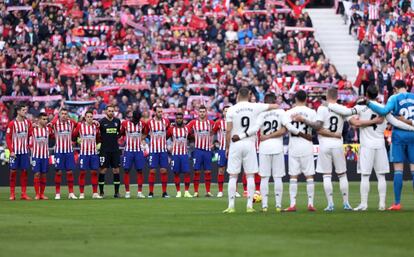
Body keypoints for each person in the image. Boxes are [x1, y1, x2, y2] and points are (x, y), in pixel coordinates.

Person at [328, 85, 414, 211]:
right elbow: (396, 123)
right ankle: (382, 204)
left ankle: (364, 204)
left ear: (366, 94)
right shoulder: (383, 108)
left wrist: (330, 105)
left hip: (367, 146)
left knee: (365, 176)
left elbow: (346, 112)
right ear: (377, 94)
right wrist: (411, 128)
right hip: (380, 145)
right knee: (381, 176)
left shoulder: (361, 107)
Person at [242, 93, 306, 212]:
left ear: (265, 102)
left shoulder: (261, 114)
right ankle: (278, 205)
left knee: (264, 178)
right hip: (277, 147)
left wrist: (243, 135)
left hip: (264, 147)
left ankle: (265, 206)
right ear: (275, 101)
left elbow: (254, 129)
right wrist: (302, 134)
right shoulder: (281, 112)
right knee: (277, 178)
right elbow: (287, 128)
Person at [293, 88, 352, 211]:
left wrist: (303, 119)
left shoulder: (322, 108)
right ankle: (346, 203)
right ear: (337, 96)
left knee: (327, 175)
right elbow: (351, 123)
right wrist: (336, 133)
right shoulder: (341, 109)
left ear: (327, 95)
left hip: (325, 145)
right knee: (342, 175)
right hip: (337, 144)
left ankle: (330, 204)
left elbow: (317, 126)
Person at [222, 87, 278, 213]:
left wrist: (227, 147)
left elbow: (228, 130)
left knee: (233, 175)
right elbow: (274, 106)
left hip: (235, 143)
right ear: (248, 95)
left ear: (237, 95)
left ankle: (231, 206)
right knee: (250, 175)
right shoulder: (255, 106)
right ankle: (249, 206)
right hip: (249, 143)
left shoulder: (231, 109)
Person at [365, 81, 414, 210]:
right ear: (406, 87)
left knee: (398, 170)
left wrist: (369, 103)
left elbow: (385, 110)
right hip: (413, 135)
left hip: (399, 135)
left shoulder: (394, 98)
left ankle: (397, 203)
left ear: (396, 89)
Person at [284, 90, 317, 212]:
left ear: (295, 99)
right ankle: (310, 203)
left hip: (294, 145)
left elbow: (286, 127)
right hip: (307, 145)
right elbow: (316, 126)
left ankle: (293, 204)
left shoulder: (289, 112)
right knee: (309, 176)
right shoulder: (312, 112)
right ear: (306, 98)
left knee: (293, 176)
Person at [49, 108, 78, 200]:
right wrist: (54, 119)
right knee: (59, 172)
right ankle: (57, 193)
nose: (64, 115)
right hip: (59, 151)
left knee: (69, 172)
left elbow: (80, 125)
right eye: (62, 114)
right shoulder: (55, 123)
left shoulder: (71, 123)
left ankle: (71, 193)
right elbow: (48, 127)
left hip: (69, 151)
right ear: (59, 115)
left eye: (66, 114)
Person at [187, 105, 215, 197]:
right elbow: (185, 130)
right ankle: (196, 191)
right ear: (198, 113)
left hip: (207, 150)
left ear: (206, 112)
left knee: (208, 171)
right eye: (200, 111)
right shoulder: (193, 123)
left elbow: (215, 131)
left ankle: (208, 191)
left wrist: (213, 142)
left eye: (203, 111)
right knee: (197, 171)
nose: (202, 113)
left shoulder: (210, 122)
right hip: (198, 150)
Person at [72, 110, 102, 199]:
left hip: (93, 153)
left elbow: (98, 138)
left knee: (94, 172)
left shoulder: (95, 127)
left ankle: (95, 193)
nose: (89, 118)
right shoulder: (80, 126)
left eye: (91, 117)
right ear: (85, 118)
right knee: (82, 173)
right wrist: (78, 140)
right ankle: (81, 193)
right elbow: (74, 136)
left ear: (93, 118)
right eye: (88, 117)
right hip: (84, 153)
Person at [6, 104, 32, 200]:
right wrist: (11, 151)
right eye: (23, 110)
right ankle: (12, 194)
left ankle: (23, 194)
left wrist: (30, 146)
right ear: (18, 111)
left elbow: (30, 134)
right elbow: (8, 138)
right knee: (13, 171)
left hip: (24, 152)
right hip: (15, 152)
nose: (25, 111)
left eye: (26, 110)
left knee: (24, 171)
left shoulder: (28, 123)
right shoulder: (12, 124)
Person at [145, 105, 170, 198]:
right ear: (155, 112)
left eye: (161, 112)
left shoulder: (166, 122)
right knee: (152, 171)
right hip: (154, 150)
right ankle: (151, 192)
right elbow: (145, 133)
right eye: (159, 112)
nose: (160, 113)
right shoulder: (149, 123)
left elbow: (169, 133)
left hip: (163, 150)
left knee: (164, 171)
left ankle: (164, 192)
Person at [120, 110, 146, 199]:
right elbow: (121, 133)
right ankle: (127, 192)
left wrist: (141, 139)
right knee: (126, 170)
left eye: (138, 119)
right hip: (128, 151)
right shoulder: (125, 124)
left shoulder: (142, 124)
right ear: (132, 117)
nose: (137, 121)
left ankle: (139, 192)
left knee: (140, 170)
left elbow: (145, 132)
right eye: (136, 119)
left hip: (138, 150)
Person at [99, 105, 122, 198]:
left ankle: (116, 192)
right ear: (106, 112)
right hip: (104, 150)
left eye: (112, 111)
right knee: (103, 170)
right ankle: (101, 192)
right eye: (109, 111)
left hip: (115, 150)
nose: (111, 112)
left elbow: (119, 134)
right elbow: (99, 135)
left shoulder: (117, 121)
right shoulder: (101, 122)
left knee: (116, 170)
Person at [167, 112, 192, 198]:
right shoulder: (171, 129)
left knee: (187, 173)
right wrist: (168, 147)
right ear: (175, 119)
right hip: (175, 155)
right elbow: (165, 137)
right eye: (177, 118)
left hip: (184, 154)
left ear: (183, 119)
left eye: (180, 118)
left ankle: (186, 191)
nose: (179, 120)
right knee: (176, 173)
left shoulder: (187, 129)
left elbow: (191, 137)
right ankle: (178, 192)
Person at [30, 112, 51, 200]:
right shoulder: (33, 129)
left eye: (46, 119)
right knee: (37, 174)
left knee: (44, 174)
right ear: (39, 119)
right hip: (36, 155)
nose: (45, 121)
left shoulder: (48, 129)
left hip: (45, 155)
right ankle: (37, 194)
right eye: (43, 119)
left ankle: (42, 194)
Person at [213, 106, 231, 198]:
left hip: (233, 149)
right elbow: (212, 132)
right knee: (221, 169)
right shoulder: (219, 122)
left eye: (229, 111)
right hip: (222, 149)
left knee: (233, 171)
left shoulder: (235, 122)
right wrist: (214, 142)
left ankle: (234, 191)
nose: (227, 113)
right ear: (223, 113)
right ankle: (220, 191)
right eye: (225, 111)